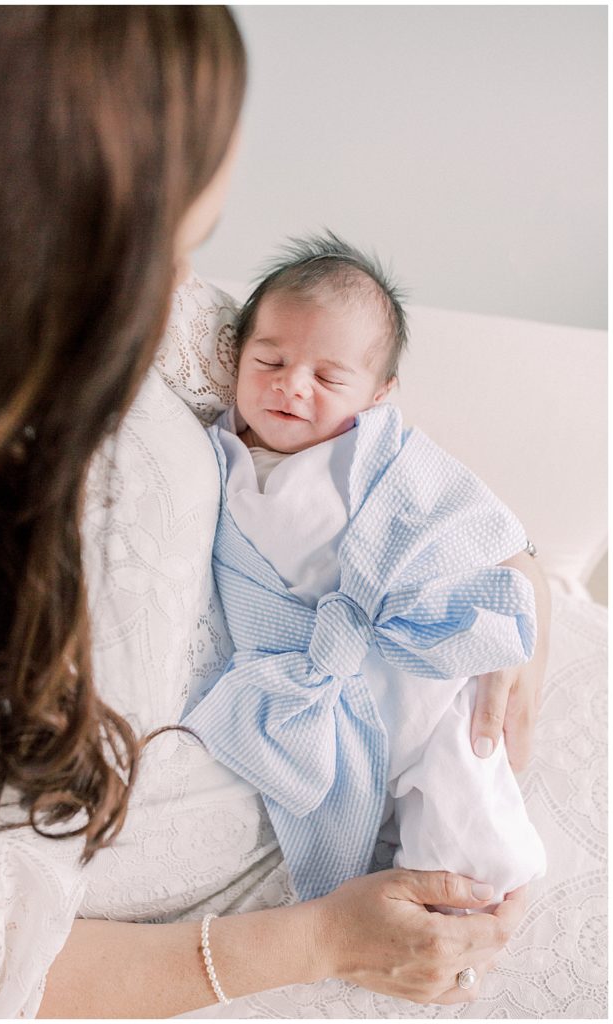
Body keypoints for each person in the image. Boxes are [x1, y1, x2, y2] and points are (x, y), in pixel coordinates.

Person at [0, 7, 545, 1018]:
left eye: (191, 239)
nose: (185, 284)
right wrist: (321, 940)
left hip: (380, 740)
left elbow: (361, 429)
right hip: (234, 932)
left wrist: (509, 580)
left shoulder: (152, 309)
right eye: (164, 235)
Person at [184, 233, 548, 907]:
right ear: (236, 357)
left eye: (327, 378)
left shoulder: (380, 455)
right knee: (347, 808)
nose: (292, 385)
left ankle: (478, 897)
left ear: (378, 394)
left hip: (426, 667)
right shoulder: (215, 454)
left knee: (463, 786)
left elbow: (466, 518)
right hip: (323, 686)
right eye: (270, 359)